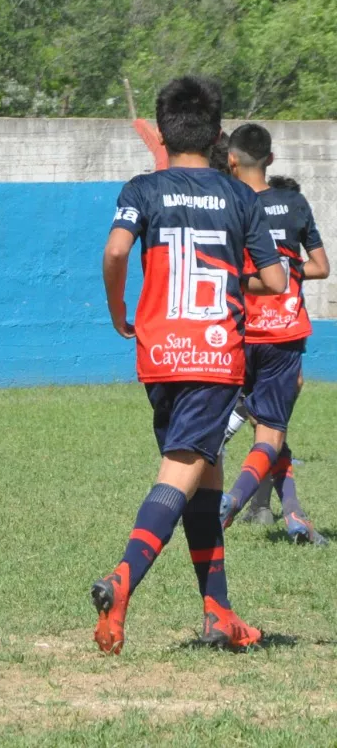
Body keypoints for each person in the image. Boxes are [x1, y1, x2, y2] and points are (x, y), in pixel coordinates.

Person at [93, 76, 285, 655]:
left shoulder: (142, 188)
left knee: (205, 472)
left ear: (164, 127)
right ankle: (122, 579)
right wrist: (235, 273)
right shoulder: (240, 197)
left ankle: (219, 613)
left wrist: (117, 309)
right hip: (213, 356)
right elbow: (275, 281)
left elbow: (116, 250)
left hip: (159, 355)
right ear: (218, 136)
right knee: (181, 471)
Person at [217, 123, 330, 546]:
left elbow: (223, 268)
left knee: (267, 425)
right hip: (284, 334)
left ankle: (294, 516)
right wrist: (288, 271)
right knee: (272, 429)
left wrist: (246, 281)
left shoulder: (227, 203)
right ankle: (234, 500)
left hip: (240, 331)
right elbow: (320, 267)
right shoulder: (295, 203)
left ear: (231, 159)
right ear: (272, 159)